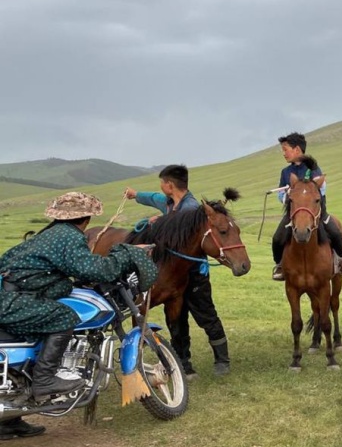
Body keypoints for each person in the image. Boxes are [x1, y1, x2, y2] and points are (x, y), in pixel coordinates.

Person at [0, 192, 155, 408]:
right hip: (11, 300)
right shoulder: (69, 236)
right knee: (64, 316)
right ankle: (44, 379)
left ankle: (17, 413)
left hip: (11, 295)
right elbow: (96, 270)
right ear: (86, 219)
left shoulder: (50, 234)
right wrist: (126, 255)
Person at [125, 164, 232, 378]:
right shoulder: (169, 202)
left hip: (194, 272)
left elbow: (178, 231)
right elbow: (153, 197)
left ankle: (222, 359)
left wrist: (159, 221)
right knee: (178, 318)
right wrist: (135, 194)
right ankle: (183, 362)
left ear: (169, 185)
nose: (160, 187)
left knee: (206, 315)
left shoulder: (191, 209)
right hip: (175, 274)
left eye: (162, 183)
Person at [271, 132, 342, 281]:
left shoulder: (313, 168)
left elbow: (322, 189)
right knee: (277, 238)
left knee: (334, 231)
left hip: (317, 213)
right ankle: (279, 265)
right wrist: (287, 195)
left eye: (285, 149)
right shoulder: (285, 172)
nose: (284, 153)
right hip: (293, 214)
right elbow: (280, 194)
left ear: (297, 149)